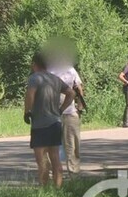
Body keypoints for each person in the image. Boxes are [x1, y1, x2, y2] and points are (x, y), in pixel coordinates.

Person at [24, 52, 74, 188]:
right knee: (55, 158)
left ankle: (43, 189)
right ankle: (57, 189)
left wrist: (27, 111)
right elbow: (71, 93)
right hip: (55, 122)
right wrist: (61, 109)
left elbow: (30, 95)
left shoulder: (35, 78)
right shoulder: (54, 79)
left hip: (40, 124)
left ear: (34, 64)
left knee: (41, 160)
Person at [48, 56, 84, 175]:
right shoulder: (49, 70)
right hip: (51, 112)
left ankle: (73, 173)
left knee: (72, 144)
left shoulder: (70, 69)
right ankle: (51, 174)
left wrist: (80, 106)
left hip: (70, 111)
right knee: (50, 144)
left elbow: (79, 87)